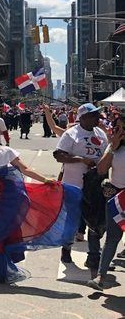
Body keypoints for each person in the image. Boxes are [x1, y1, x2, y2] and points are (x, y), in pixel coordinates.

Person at [0, 120, 56, 283]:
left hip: (3, 201)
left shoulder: (7, 152)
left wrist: (45, 179)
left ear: (0, 133)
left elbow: (25, 169)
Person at [54, 103, 108, 269]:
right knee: (73, 220)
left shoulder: (101, 134)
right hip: (73, 185)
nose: (97, 118)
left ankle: (93, 256)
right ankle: (66, 249)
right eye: (93, 115)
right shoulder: (71, 134)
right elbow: (58, 155)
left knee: (95, 221)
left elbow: (107, 155)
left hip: (95, 186)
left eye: (98, 115)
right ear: (83, 117)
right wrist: (81, 160)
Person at [88, 115, 125, 290]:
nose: (121, 132)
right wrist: (112, 147)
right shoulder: (113, 148)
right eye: (118, 128)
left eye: (124, 128)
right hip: (117, 199)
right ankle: (100, 277)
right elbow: (102, 169)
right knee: (112, 238)